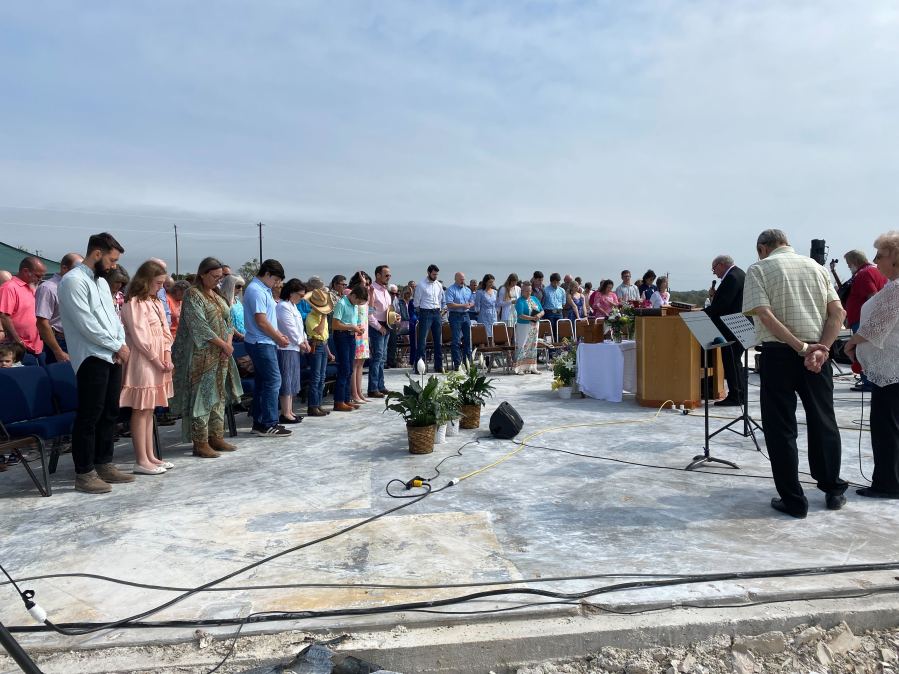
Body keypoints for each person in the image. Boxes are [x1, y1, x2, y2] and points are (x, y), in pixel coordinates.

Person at [742, 228, 848, 518]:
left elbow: (764, 314)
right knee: (824, 420)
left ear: (762, 248)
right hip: (818, 356)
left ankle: (793, 500)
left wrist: (801, 347)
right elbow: (838, 313)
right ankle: (833, 489)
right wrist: (822, 349)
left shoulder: (759, 269)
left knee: (781, 427)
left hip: (780, 355)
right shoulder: (816, 267)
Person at [58, 232, 135, 494]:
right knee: (90, 414)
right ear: (97, 254)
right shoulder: (73, 282)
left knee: (110, 412)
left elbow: (113, 318)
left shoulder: (102, 282)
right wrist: (116, 346)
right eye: (112, 260)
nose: (114, 266)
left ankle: (104, 463)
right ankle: (84, 472)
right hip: (91, 356)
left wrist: (120, 343)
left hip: (111, 353)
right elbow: (86, 323)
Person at [844, 232, 899, 498]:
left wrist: (851, 342)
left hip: (891, 370)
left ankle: (888, 483)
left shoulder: (897, 287)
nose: (876, 262)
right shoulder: (893, 285)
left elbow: (876, 327)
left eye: (881, 256)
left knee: (886, 428)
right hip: (891, 367)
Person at [171, 257, 243, 457]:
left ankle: (216, 436)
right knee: (202, 397)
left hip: (220, 355)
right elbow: (199, 326)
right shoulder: (193, 295)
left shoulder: (217, 296)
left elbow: (228, 321)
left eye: (220, 278)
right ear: (202, 274)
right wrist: (222, 344)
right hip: (201, 357)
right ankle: (200, 441)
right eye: (214, 276)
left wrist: (227, 343)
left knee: (219, 396)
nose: (217, 281)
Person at [120, 260, 175, 475]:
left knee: (150, 409)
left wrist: (167, 354)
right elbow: (139, 336)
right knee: (141, 408)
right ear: (146, 280)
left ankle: (151, 455)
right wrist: (155, 359)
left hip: (158, 360)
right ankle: (141, 459)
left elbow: (165, 331)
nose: (161, 287)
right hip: (143, 360)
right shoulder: (134, 303)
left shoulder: (156, 302)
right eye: (158, 283)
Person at [243, 259, 292, 436]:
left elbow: (268, 319)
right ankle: (269, 422)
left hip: (266, 340)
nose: (277, 284)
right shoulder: (256, 290)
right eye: (276, 279)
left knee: (264, 383)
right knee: (273, 381)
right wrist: (278, 337)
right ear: (268, 274)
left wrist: (278, 334)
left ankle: (259, 422)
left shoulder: (264, 289)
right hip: (260, 342)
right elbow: (261, 321)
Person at [842, 249, 888, 392]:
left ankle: (868, 382)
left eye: (849, 264)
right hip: (868, 320)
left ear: (855, 261)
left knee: (863, 351)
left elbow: (872, 296)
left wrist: (869, 320)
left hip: (863, 320)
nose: (849, 267)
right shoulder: (876, 271)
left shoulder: (864, 274)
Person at [705, 255, 747, 406]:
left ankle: (736, 396)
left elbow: (723, 305)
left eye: (714, 268)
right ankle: (739, 394)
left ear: (721, 265)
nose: (714, 273)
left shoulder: (732, 277)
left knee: (731, 361)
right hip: (739, 325)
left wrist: (702, 313)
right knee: (735, 361)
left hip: (732, 326)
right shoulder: (740, 274)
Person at [35, 252, 83, 364]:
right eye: (77, 268)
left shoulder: (77, 287)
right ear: (64, 268)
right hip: (60, 341)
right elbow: (42, 322)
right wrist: (58, 351)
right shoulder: (48, 288)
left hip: (77, 340)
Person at [0, 256, 47, 363]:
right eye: (38, 275)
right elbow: (3, 316)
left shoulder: (31, 288)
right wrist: (18, 341)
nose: (40, 279)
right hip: (19, 348)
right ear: (26, 271)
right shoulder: (9, 287)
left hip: (36, 346)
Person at [276, 279, 310, 425]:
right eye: (300, 295)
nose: (301, 298)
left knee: (292, 380)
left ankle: (290, 411)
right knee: (286, 380)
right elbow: (289, 327)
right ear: (291, 293)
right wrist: (300, 342)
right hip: (286, 348)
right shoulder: (283, 306)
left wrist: (305, 340)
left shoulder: (293, 307)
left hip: (294, 347)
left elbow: (300, 327)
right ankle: (285, 412)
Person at [332, 284, 368, 412]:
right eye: (358, 301)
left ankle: (347, 399)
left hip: (351, 337)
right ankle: (339, 401)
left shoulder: (353, 305)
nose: (358, 304)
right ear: (353, 295)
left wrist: (357, 327)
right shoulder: (342, 303)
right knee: (344, 369)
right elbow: (335, 325)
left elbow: (352, 322)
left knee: (349, 370)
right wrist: (351, 327)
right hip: (342, 337)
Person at [305, 288, 334, 417]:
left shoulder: (322, 317)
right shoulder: (311, 317)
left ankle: (318, 404)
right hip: (315, 346)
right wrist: (323, 317)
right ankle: (312, 406)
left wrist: (329, 352)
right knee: (315, 377)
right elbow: (319, 331)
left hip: (322, 345)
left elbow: (325, 337)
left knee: (322, 377)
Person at [413, 264, 445, 372]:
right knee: (422, 341)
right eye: (433, 274)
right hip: (425, 312)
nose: (435, 276)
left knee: (438, 340)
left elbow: (440, 298)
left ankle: (438, 365)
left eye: (436, 274)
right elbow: (416, 302)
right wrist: (421, 312)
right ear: (428, 273)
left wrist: (439, 310)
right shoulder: (421, 285)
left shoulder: (439, 285)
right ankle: (419, 367)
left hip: (436, 312)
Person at [367, 265, 392, 398]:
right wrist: (378, 327)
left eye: (389, 275)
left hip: (386, 325)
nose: (389, 277)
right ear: (378, 275)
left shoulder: (385, 291)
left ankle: (380, 385)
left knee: (382, 358)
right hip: (377, 326)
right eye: (386, 275)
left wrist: (395, 316)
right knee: (377, 357)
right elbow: (369, 313)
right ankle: (373, 387)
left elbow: (388, 310)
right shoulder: (372, 290)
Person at [348, 270, 372, 402]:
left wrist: (370, 293)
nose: (366, 286)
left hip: (364, 333)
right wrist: (362, 285)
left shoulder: (364, 296)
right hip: (356, 332)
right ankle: (354, 393)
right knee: (355, 364)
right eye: (364, 283)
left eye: (368, 284)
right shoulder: (350, 293)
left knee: (361, 363)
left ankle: (359, 391)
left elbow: (371, 310)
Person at [445, 272, 474, 371]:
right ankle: (457, 364)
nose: (463, 281)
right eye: (461, 279)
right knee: (456, 341)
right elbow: (449, 304)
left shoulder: (467, 290)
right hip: (455, 316)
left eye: (463, 279)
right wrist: (463, 305)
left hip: (466, 316)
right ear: (456, 279)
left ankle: (467, 363)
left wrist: (470, 304)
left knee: (468, 340)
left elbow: (472, 301)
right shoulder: (451, 290)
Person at [514, 281, 544, 374]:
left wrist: (539, 315)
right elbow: (520, 315)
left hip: (535, 325)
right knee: (523, 345)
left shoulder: (534, 298)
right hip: (524, 325)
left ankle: (532, 367)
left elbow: (542, 310)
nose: (528, 292)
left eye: (530, 290)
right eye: (526, 291)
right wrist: (532, 318)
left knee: (533, 345)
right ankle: (520, 368)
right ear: (522, 290)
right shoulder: (520, 301)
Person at [220, 275, 245, 340]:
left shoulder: (238, 301)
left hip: (243, 337)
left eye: (242, 286)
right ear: (229, 286)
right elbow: (226, 322)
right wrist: (240, 335)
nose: (240, 289)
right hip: (230, 339)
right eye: (238, 286)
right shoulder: (223, 301)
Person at [541, 273, 566, 338]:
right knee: (549, 330)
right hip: (549, 312)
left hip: (559, 312)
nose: (556, 284)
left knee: (560, 329)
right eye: (554, 282)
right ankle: (550, 346)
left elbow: (563, 303)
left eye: (557, 282)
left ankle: (559, 345)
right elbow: (542, 303)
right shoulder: (545, 290)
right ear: (551, 281)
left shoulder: (562, 290)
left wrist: (559, 309)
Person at [474, 274, 498, 338]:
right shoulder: (480, 292)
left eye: (492, 282)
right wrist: (478, 312)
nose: (491, 283)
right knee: (484, 333)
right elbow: (477, 305)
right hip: (484, 314)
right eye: (490, 282)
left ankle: (491, 346)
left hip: (493, 314)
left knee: (493, 332)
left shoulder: (495, 292)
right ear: (485, 282)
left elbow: (497, 304)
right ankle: (482, 346)